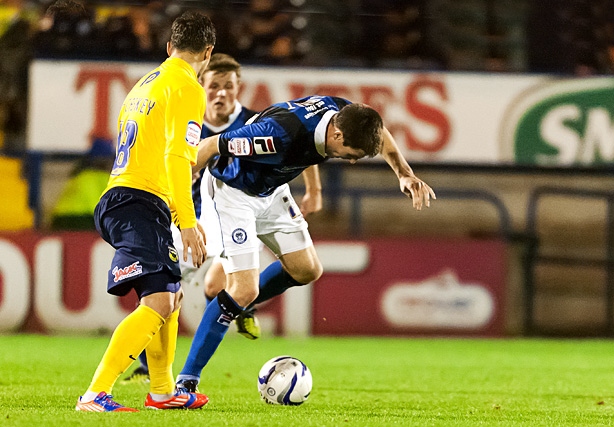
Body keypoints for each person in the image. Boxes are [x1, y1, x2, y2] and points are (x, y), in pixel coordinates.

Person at [174, 95, 435, 392]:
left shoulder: (343, 113)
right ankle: (186, 381)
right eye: (352, 153)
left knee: (307, 270)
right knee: (244, 289)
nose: (352, 160)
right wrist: (185, 210)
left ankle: (235, 304)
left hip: (271, 192)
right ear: (337, 134)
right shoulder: (275, 135)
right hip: (232, 194)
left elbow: (379, 132)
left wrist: (405, 174)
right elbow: (209, 146)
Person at [75, 10, 214, 412]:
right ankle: (95, 393)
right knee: (158, 303)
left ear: (169, 47)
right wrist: (187, 220)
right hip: (138, 201)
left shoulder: (145, 84)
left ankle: (162, 390)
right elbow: (176, 156)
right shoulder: (187, 86)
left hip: (126, 196)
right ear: (208, 51)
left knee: (169, 293)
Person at [122, 53, 262, 383]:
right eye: (214, 85)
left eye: (228, 86)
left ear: (238, 87)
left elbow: (293, 146)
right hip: (188, 221)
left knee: (222, 283)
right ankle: (146, 366)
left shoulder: (255, 122)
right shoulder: (190, 121)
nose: (221, 93)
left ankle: (243, 308)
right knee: (158, 290)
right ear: (204, 86)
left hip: (233, 221)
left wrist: (312, 190)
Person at [50, 138, 114, 230]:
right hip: (80, 219)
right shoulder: (100, 177)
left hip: (59, 218)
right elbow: (99, 207)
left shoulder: (79, 175)